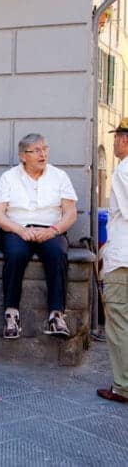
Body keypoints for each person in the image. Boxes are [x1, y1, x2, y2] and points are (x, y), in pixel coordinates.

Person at [0, 133, 77, 339]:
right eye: (36, 150)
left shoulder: (59, 176)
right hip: (16, 229)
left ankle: (56, 316)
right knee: (16, 253)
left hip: (50, 228)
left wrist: (53, 230)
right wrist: (20, 230)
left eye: (45, 149)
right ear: (23, 155)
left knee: (57, 252)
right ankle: (11, 315)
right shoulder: (9, 177)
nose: (43, 154)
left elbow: (71, 212)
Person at [97, 120, 128, 404]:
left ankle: (123, 387)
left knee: (119, 321)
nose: (116, 143)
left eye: (117, 138)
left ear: (125, 140)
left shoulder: (123, 171)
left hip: (124, 260)